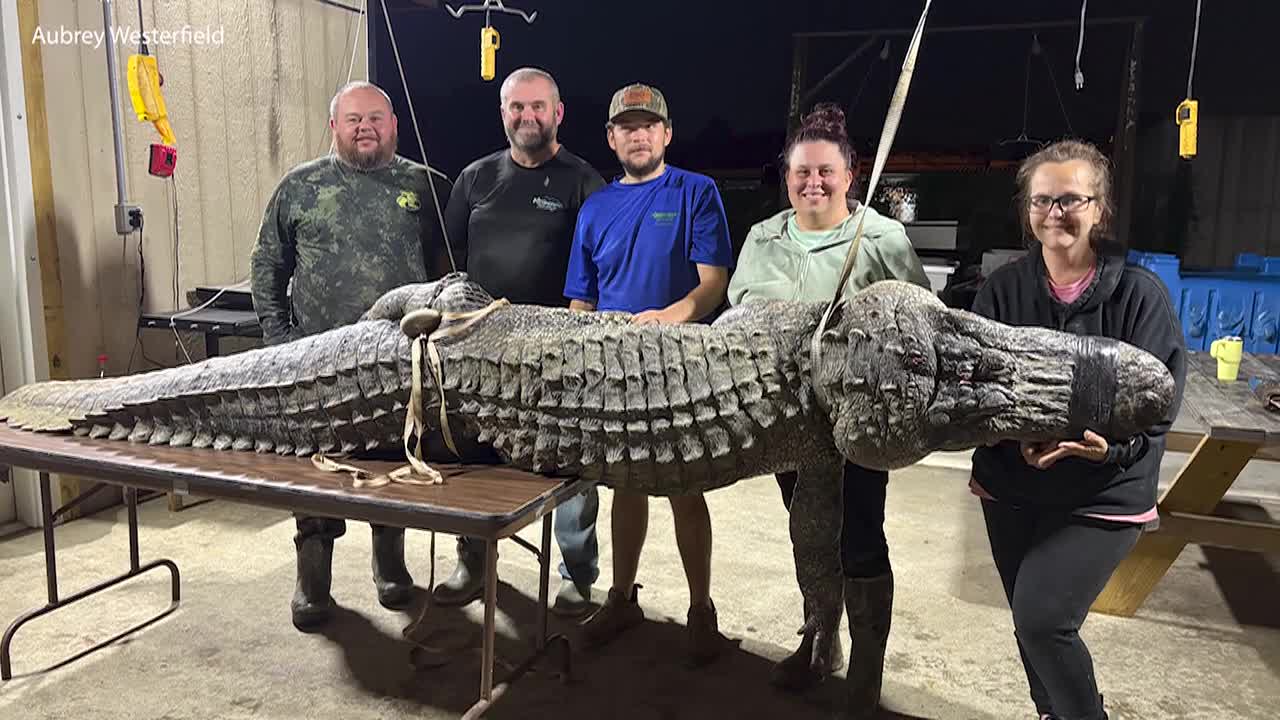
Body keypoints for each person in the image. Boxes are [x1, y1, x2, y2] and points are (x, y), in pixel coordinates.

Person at [969, 139, 1186, 720]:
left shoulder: (1139, 296)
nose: (1055, 213)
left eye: (1071, 199)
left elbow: (1159, 404)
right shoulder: (1003, 291)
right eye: (1043, 200)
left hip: (1104, 490)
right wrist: (1014, 438)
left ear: (1100, 209)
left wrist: (1108, 449)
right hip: (1013, 484)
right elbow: (974, 388)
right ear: (1028, 210)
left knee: (1043, 619)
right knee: (1029, 624)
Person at [727, 103, 929, 715]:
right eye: (801, 172)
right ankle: (821, 639)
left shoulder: (882, 238)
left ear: (849, 174)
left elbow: (920, 322)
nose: (812, 182)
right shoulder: (764, 238)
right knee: (809, 533)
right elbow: (738, 316)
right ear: (786, 176)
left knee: (859, 535)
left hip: (857, 421)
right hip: (786, 419)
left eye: (825, 172)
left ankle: (867, 665)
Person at [249, 80, 453, 631]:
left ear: (394, 125)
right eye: (353, 119)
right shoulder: (300, 187)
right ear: (333, 126)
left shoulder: (427, 186)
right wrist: (279, 342)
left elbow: (450, 272)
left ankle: (390, 567)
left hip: (399, 365)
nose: (365, 128)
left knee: (394, 463)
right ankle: (313, 581)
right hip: (316, 364)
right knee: (316, 471)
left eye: (376, 118)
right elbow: (268, 266)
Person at [565, 83, 735, 666]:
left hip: (678, 364)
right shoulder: (595, 208)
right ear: (612, 139)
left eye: (648, 126)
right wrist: (576, 358)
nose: (638, 136)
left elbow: (713, 283)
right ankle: (621, 598)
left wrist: (670, 316)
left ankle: (701, 610)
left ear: (666, 134)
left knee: (685, 486)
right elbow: (582, 299)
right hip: (612, 369)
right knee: (626, 484)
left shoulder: (696, 192)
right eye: (626, 127)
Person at [434, 67, 606, 617]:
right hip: (477, 346)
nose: (527, 116)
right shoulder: (475, 178)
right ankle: (473, 563)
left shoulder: (584, 182)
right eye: (517, 107)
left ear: (558, 113)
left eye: (538, 107)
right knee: (471, 455)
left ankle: (577, 575)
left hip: (555, 350)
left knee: (570, 458)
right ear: (503, 113)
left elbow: (598, 267)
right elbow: (449, 263)